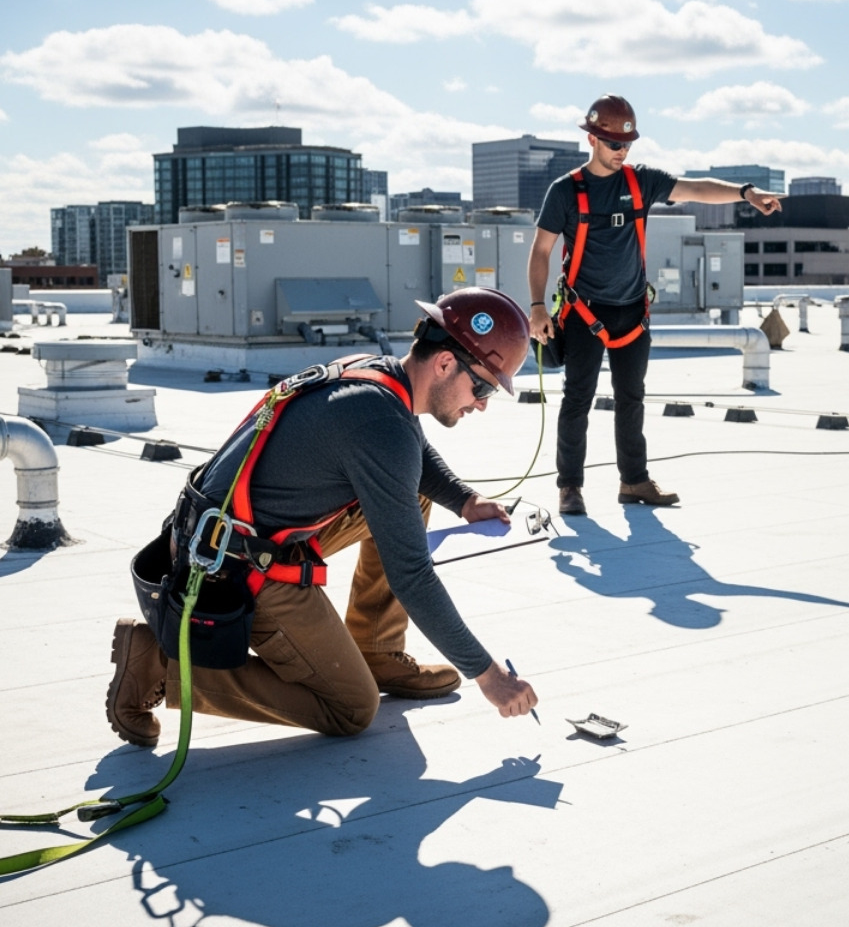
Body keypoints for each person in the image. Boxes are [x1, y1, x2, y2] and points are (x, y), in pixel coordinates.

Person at [107, 287, 539, 746]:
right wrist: (488, 675)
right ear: (446, 363)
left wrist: (465, 500)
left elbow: (409, 450)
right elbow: (411, 575)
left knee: (410, 495)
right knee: (352, 708)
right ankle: (158, 664)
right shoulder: (381, 426)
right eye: (484, 387)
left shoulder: (378, 377)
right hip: (231, 568)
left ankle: (376, 651)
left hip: (224, 533)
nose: (483, 403)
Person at [527, 94, 783, 516]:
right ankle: (569, 487)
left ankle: (634, 481)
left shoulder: (640, 181)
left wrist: (746, 192)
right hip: (584, 312)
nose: (622, 151)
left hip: (632, 311)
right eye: (614, 144)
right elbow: (541, 251)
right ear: (592, 139)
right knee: (577, 398)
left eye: (627, 144)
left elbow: (695, 188)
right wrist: (538, 307)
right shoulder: (566, 191)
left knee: (632, 398)